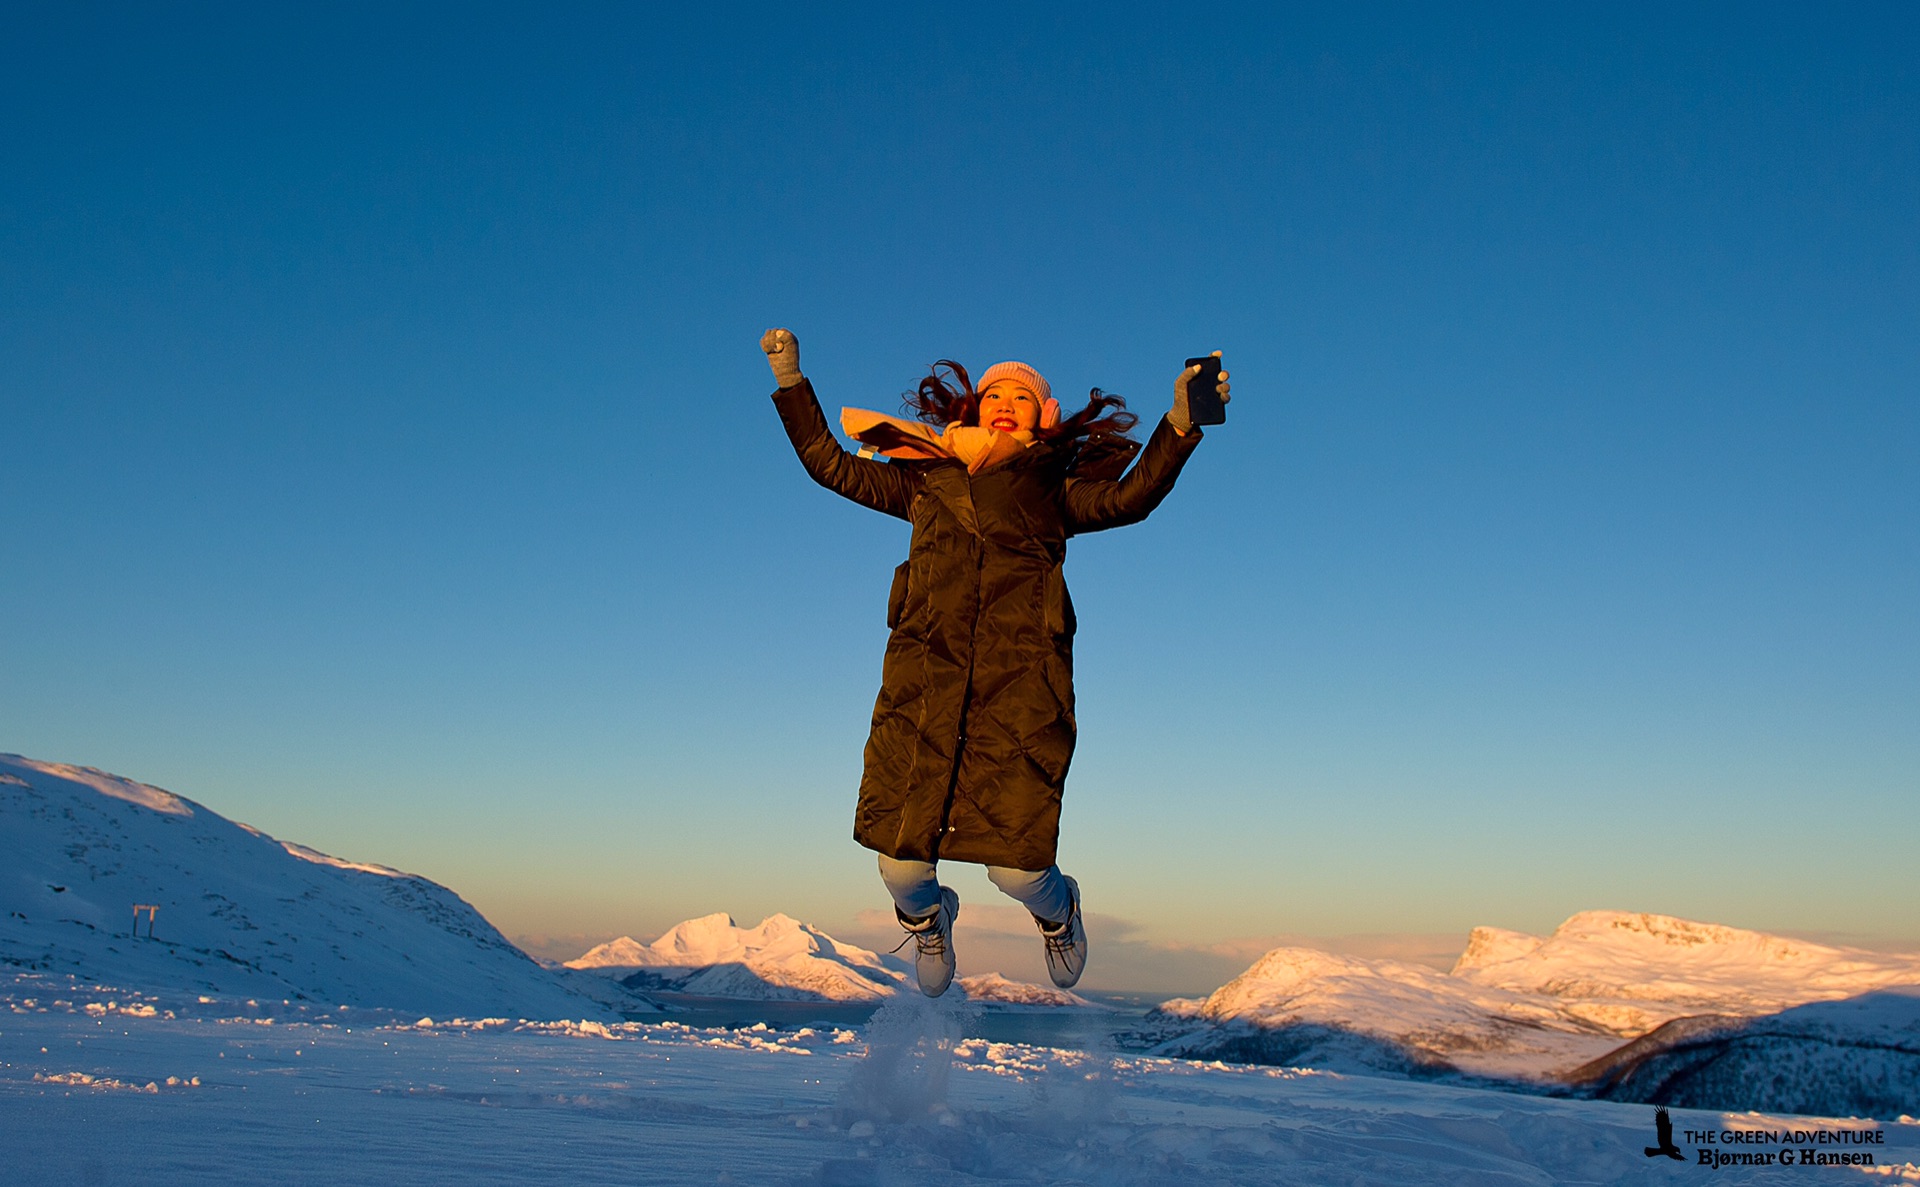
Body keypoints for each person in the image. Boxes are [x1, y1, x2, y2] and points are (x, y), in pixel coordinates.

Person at [761, 328, 1228, 997]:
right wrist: (790, 380)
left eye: (1021, 394)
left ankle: (1060, 910)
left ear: (1045, 412)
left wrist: (1181, 422)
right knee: (900, 865)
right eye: (992, 394)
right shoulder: (924, 481)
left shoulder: (1050, 489)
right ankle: (929, 922)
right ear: (972, 409)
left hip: (1018, 693)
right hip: (923, 689)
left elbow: (1131, 498)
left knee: (1017, 870)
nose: (1004, 402)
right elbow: (826, 462)